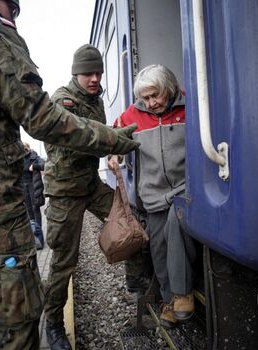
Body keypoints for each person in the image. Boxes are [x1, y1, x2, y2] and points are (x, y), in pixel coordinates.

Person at [0, 1, 139, 349]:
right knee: (14, 325)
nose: (14, 11)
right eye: (13, 7)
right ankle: (54, 324)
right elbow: (41, 117)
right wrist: (113, 140)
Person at [108, 64, 196, 328]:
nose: (151, 102)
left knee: (174, 226)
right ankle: (169, 300)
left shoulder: (189, 106)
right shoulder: (133, 114)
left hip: (184, 189)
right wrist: (114, 154)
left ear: (168, 88)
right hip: (154, 194)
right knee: (158, 250)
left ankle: (182, 295)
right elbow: (114, 136)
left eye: (155, 95)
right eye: (145, 98)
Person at [42, 44, 117, 350]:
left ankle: (139, 281)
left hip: (89, 184)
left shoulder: (94, 100)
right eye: (88, 72)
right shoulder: (63, 100)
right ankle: (53, 324)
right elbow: (74, 140)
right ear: (76, 73)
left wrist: (111, 142)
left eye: (98, 72)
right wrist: (112, 140)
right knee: (63, 263)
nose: (95, 78)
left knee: (129, 220)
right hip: (64, 192)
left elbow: (100, 135)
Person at [22, 142, 45, 250]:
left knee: (35, 209)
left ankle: (40, 238)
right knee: (29, 212)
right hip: (23, 188)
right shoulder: (18, 159)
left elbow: (44, 165)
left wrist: (34, 166)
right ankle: (34, 238)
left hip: (33, 186)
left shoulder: (33, 156)